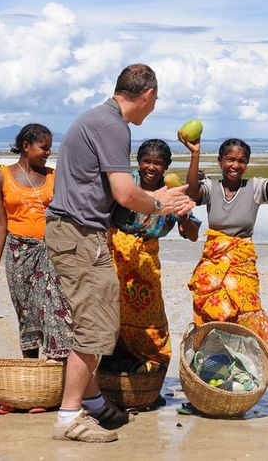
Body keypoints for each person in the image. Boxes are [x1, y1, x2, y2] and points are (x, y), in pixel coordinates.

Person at [45, 64, 195, 443]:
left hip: (80, 232)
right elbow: (126, 195)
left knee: (102, 320)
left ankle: (93, 400)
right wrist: (159, 202)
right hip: (79, 234)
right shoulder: (113, 126)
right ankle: (69, 416)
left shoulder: (98, 119)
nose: (153, 108)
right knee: (95, 328)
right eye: (155, 100)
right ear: (147, 94)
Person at [180, 126, 268, 378]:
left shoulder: (254, 187)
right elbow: (191, 192)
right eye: (230, 159)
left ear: (247, 164)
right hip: (213, 262)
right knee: (210, 316)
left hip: (242, 262)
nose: (235, 165)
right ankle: (209, 371)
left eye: (241, 160)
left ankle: (246, 371)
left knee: (246, 315)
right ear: (220, 161)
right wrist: (194, 154)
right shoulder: (211, 188)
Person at [0, 124, 74, 413]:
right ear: (27, 145)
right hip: (19, 253)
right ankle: (33, 385)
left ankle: (56, 386)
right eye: (44, 147)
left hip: (53, 249)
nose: (48, 153)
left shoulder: (55, 176)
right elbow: (0, 223)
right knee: (27, 314)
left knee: (57, 312)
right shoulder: (2, 177)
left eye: (49, 147)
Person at [102, 139, 201, 381]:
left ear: (166, 166)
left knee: (150, 313)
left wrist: (184, 215)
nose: (151, 167)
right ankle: (109, 366)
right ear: (138, 162)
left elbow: (192, 235)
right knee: (111, 310)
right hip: (115, 254)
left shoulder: (171, 192)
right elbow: (102, 212)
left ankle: (148, 367)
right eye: (147, 161)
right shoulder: (127, 183)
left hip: (146, 262)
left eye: (158, 163)